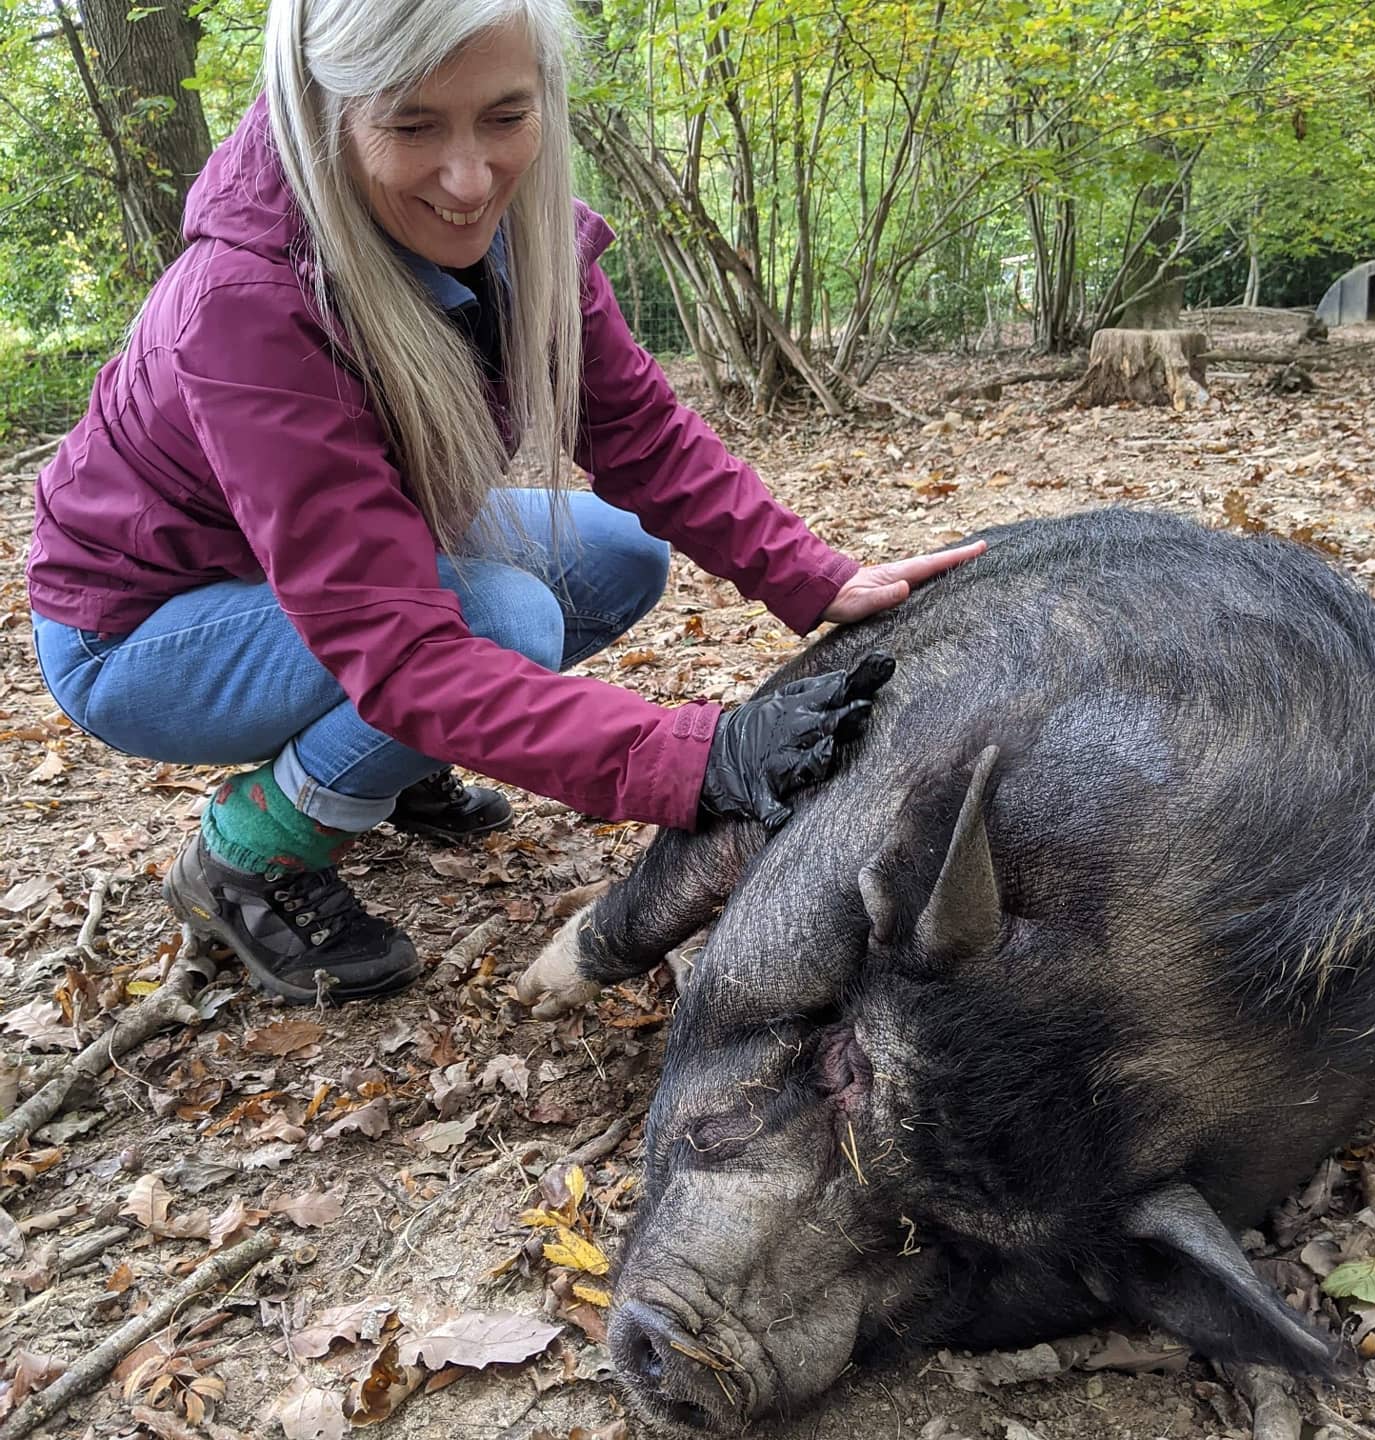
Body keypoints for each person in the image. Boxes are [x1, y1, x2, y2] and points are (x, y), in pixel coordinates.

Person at [26, 0, 985, 1007]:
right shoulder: (247, 303)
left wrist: (814, 577)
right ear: (324, 115)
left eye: (504, 117)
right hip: (140, 631)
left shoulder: (525, 235)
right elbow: (401, 650)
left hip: (322, 568)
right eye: (412, 125)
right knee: (503, 618)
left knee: (616, 558)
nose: (471, 177)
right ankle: (248, 852)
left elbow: (638, 432)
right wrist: (693, 758)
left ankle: (385, 763)